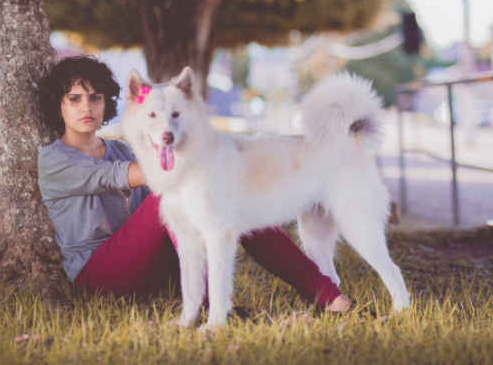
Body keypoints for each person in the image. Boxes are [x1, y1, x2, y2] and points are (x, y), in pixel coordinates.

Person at [36, 55, 352, 312]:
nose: (86, 107)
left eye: (95, 97)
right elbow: (117, 177)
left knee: (232, 196)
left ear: (106, 102)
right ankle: (215, 304)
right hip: (99, 278)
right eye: (74, 99)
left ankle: (326, 294)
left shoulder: (121, 150)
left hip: (152, 269)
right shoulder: (53, 160)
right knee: (173, 190)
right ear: (59, 105)